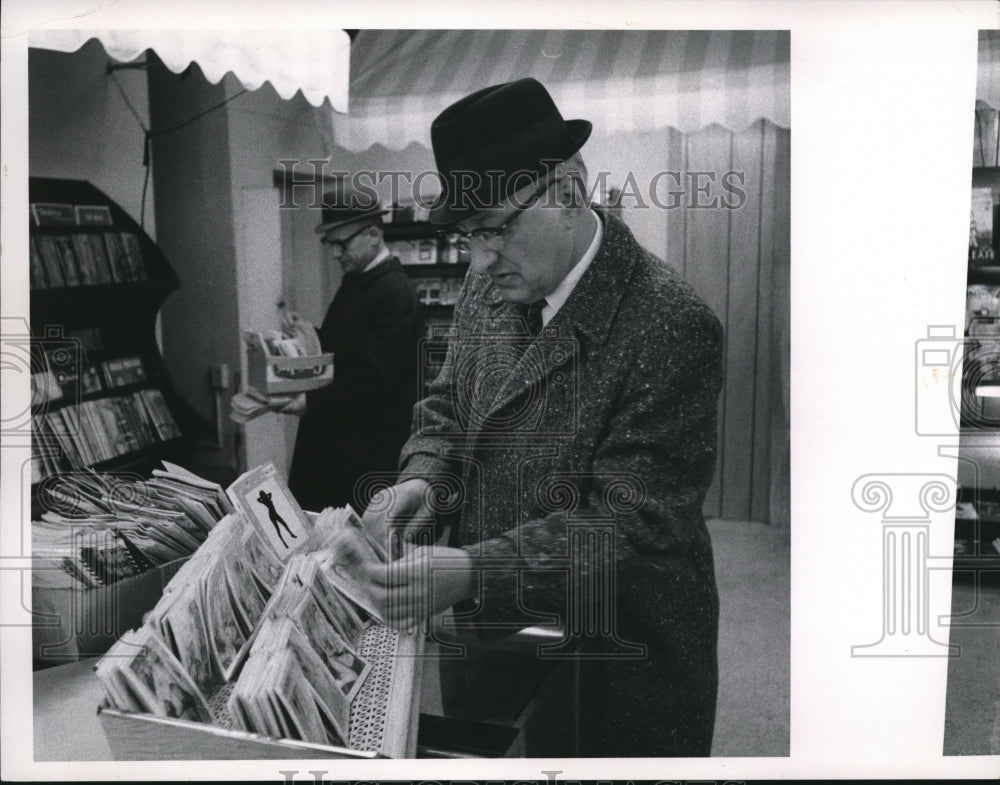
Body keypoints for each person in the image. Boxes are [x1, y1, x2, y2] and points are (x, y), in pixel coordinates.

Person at [360, 77, 724, 757]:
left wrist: (473, 569)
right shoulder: (489, 278)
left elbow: (634, 527)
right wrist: (422, 478)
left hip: (614, 656)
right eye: (469, 235)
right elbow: (449, 405)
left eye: (495, 229)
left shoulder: (672, 322)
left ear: (567, 191)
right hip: (491, 639)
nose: (480, 257)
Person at [282, 191, 423, 514]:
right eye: (329, 244)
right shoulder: (360, 281)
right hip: (340, 445)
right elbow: (346, 346)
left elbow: (372, 378)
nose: (334, 253)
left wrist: (308, 402)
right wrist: (307, 334)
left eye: (341, 243)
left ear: (373, 235)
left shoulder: (394, 292)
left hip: (361, 455)